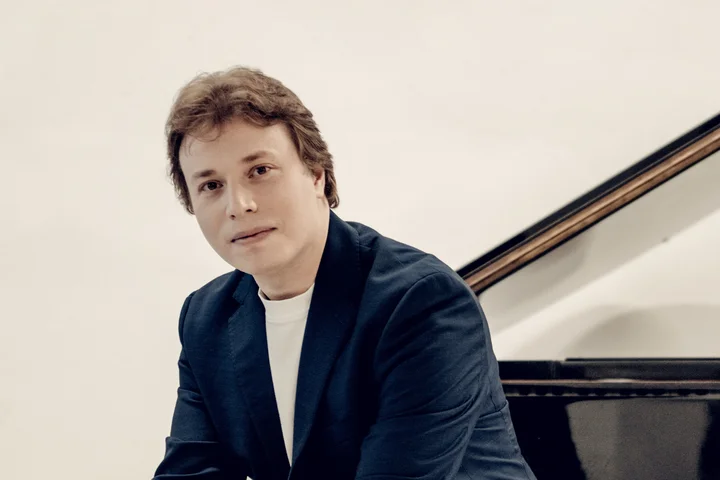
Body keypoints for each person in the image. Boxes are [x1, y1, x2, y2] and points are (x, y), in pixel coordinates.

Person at [152, 65, 536, 480]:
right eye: (211, 185)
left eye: (260, 171)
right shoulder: (205, 318)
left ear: (316, 174)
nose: (238, 205)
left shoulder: (422, 303)